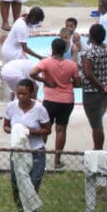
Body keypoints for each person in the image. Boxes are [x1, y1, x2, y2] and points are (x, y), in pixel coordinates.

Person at [3, 78, 52, 212]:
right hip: (18, 151)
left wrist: (30, 132)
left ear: (31, 93)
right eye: (18, 93)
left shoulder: (40, 109)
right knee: (16, 182)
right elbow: (5, 126)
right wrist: (15, 130)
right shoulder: (11, 107)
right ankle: (20, 210)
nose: (20, 96)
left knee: (34, 182)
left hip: (36, 151)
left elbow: (47, 130)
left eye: (24, 94)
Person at [30, 37, 81, 170]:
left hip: (50, 101)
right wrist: (67, 82)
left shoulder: (45, 62)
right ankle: (57, 161)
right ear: (65, 50)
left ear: (52, 49)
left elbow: (32, 73)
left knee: (45, 129)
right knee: (61, 129)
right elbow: (77, 83)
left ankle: (39, 158)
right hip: (67, 101)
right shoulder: (72, 65)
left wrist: (46, 82)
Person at [81, 23, 107, 151]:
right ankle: (98, 150)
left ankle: (98, 152)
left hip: (92, 93)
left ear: (91, 36)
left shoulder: (89, 53)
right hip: (106, 93)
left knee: (96, 125)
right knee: (98, 121)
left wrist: (101, 86)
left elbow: (88, 73)